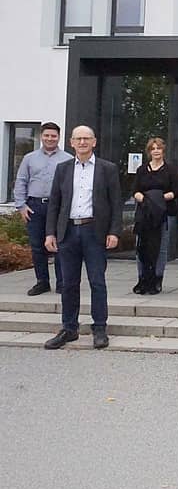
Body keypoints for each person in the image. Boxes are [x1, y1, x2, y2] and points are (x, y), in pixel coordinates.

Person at [42, 125, 122, 350]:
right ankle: (69, 328)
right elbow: (55, 203)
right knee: (68, 283)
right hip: (68, 232)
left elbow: (116, 203)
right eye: (79, 139)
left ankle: (99, 328)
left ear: (94, 142)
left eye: (87, 138)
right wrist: (50, 233)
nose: (83, 142)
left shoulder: (108, 169)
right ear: (71, 142)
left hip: (94, 231)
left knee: (97, 281)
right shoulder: (63, 169)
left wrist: (114, 231)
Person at [13, 122, 72, 296]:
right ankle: (42, 282)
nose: (50, 139)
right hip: (35, 207)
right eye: (47, 135)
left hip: (59, 208)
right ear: (41, 136)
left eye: (53, 136)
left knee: (61, 245)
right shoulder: (29, 158)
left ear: (59, 137)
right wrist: (21, 205)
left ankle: (62, 283)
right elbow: (21, 181)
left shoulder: (68, 159)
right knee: (37, 246)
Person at [131, 137, 178, 295]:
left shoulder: (170, 170)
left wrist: (157, 199)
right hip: (144, 213)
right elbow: (136, 191)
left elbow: (175, 192)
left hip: (163, 213)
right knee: (141, 247)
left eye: (159, 148)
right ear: (149, 151)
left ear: (163, 150)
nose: (156, 151)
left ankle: (157, 278)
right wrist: (145, 199)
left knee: (160, 248)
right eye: (153, 148)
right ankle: (142, 278)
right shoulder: (142, 169)